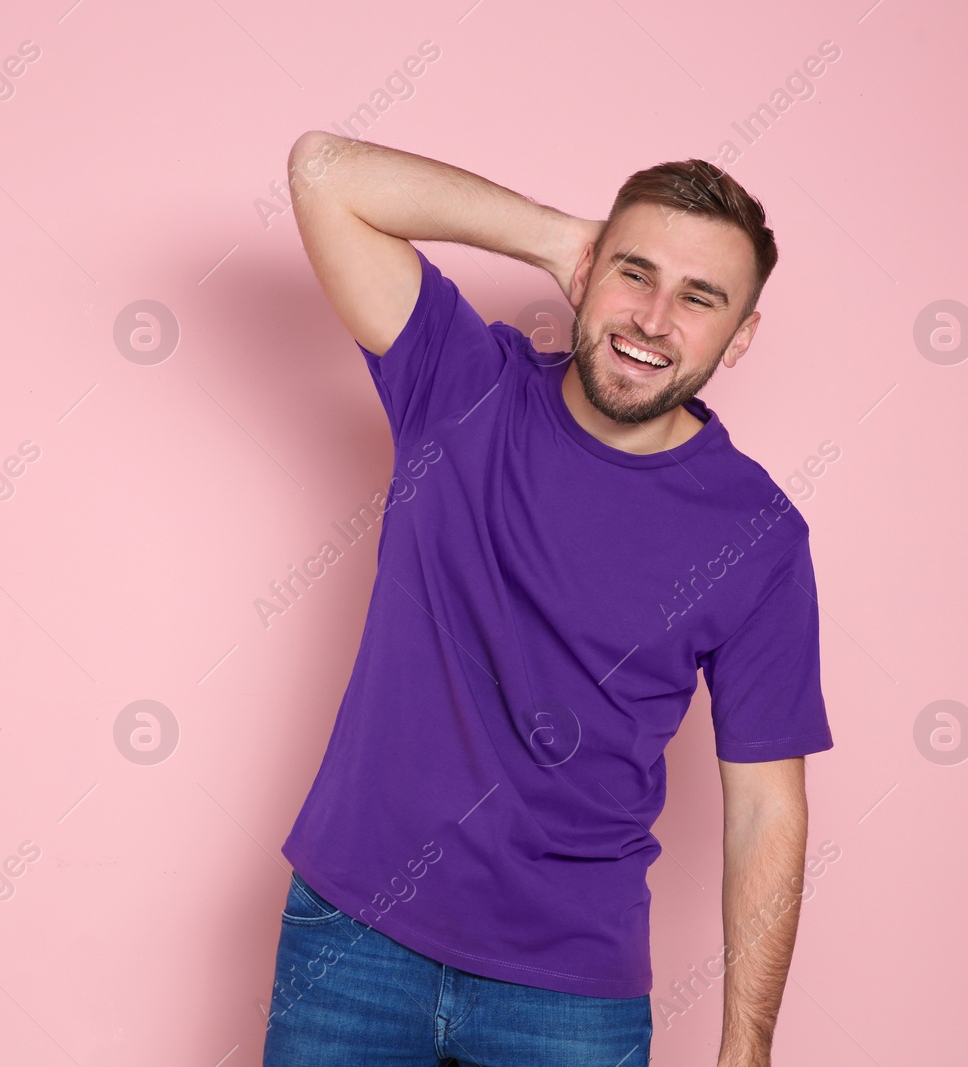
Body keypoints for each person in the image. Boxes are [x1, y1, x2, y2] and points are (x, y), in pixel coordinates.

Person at [262, 130, 835, 1067]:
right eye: (633, 273)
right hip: (352, 938)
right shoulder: (458, 385)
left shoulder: (760, 535)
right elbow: (323, 171)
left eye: (700, 298)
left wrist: (747, 1047)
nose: (653, 318)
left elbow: (767, 807)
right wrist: (554, 234)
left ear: (742, 336)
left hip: (570, 994)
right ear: (587, 271)